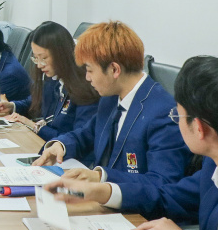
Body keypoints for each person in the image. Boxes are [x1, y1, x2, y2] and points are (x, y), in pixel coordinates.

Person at [44, 56, 218, 230]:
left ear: (199, 128)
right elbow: (167, 197)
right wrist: (103, 191)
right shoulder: (211, 165)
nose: (175, 120)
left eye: (178, 115)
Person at [33, 21, 190, 188]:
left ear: (114, 70)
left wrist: (101, 177)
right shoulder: (110, 98)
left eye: (90, 70)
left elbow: (162, 183)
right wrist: (61, 145)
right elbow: (86, 134)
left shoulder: (163, 113)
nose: (87, 77)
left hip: (131, 204)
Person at [0, 21, 100, 157]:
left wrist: (33, 125)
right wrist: (13, 106)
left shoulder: (86, 87)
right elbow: (37, 100)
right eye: (36, 58)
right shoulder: (53, 76)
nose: (39, 65)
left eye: (43, 58)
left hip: (68, 157)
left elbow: (78, 140)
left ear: (62, 54)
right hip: (46, 146)